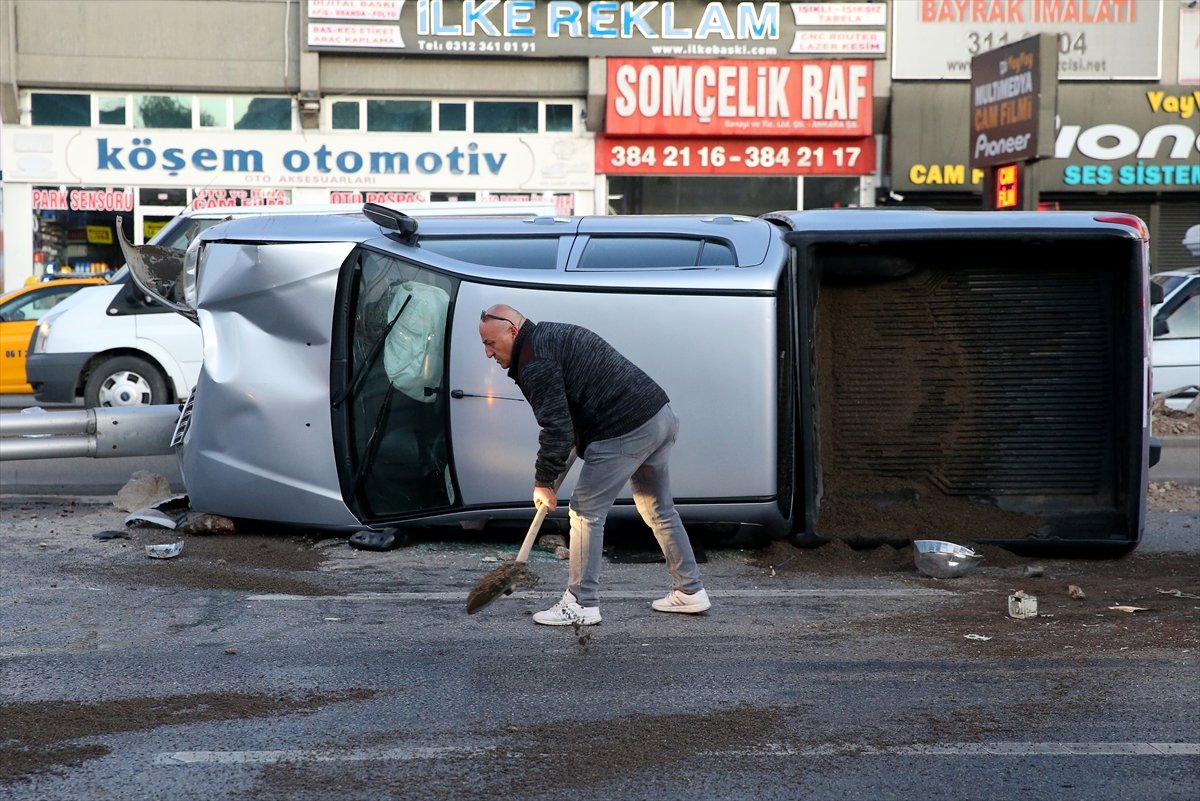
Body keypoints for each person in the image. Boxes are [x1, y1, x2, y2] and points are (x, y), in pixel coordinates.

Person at [478, 304, 710, 626]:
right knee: (658, 509)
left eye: (490, 343)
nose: (488, 353)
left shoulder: (534, 362)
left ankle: (581, 602)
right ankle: (690, 590)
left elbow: (557, 427)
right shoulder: (551, 335)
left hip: (624, 427)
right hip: (658, 416)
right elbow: (572, 420)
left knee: (585, 512)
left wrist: (543, 481)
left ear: (512, 331)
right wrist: (552, 476)